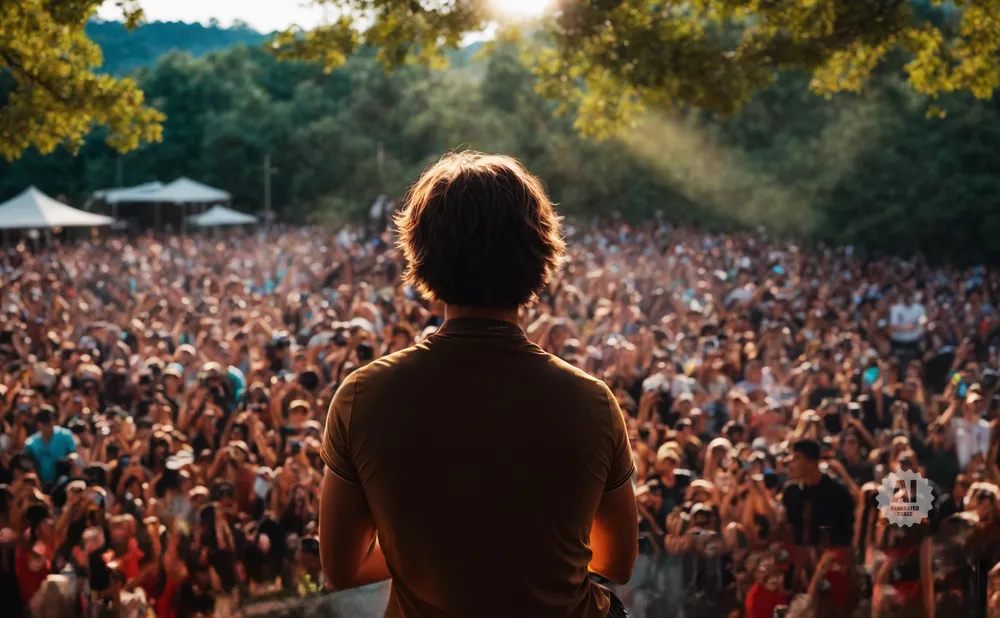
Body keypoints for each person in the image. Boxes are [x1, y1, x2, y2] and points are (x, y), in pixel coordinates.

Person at [318, 152, 637, 617]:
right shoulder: (591, 402)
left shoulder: (362, 397)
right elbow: (618, 561)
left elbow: (341, 569)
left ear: (420, 254)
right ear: (540, 256)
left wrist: (431, 549)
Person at [23, 407, 75, 488]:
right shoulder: (31, 443)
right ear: (38, 424)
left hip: (64, 482)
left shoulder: (65, 435)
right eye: (44, 423)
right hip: (41, 484)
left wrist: (69, 459)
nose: (48, 426)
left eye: (49, 422)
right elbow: (29, 465)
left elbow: (74, 453)